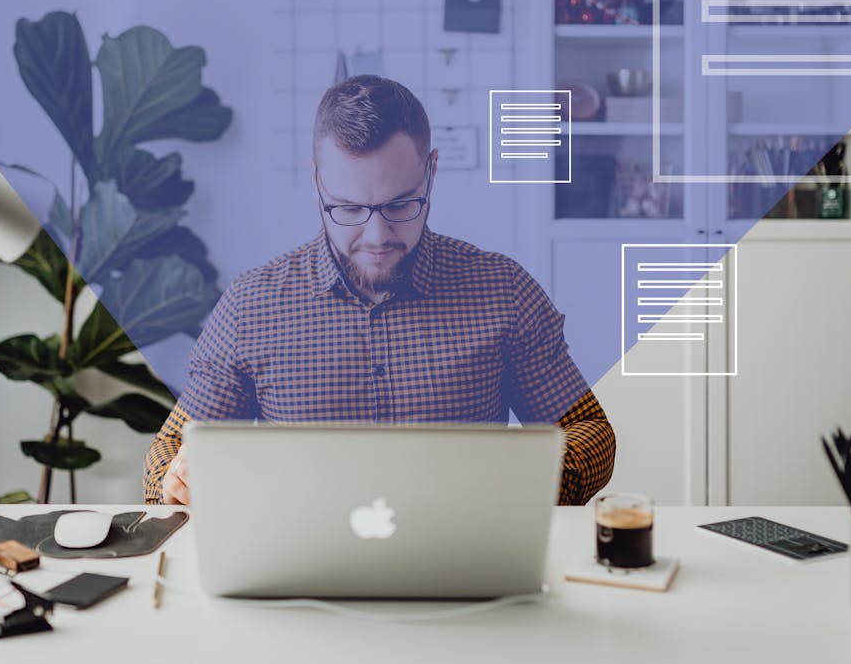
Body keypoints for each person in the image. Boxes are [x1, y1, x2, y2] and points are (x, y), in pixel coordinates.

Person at [143, 75, 614, 505]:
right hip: (299, 576)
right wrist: (175, 479)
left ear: (430, 172)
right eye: (347, 209)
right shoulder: (252, 306)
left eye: (400, 205)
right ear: (316, 181)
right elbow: (169, 449)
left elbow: (591, 431)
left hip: (464, 568)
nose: (376, 237)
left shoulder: (502, 291)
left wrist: (528, 480)